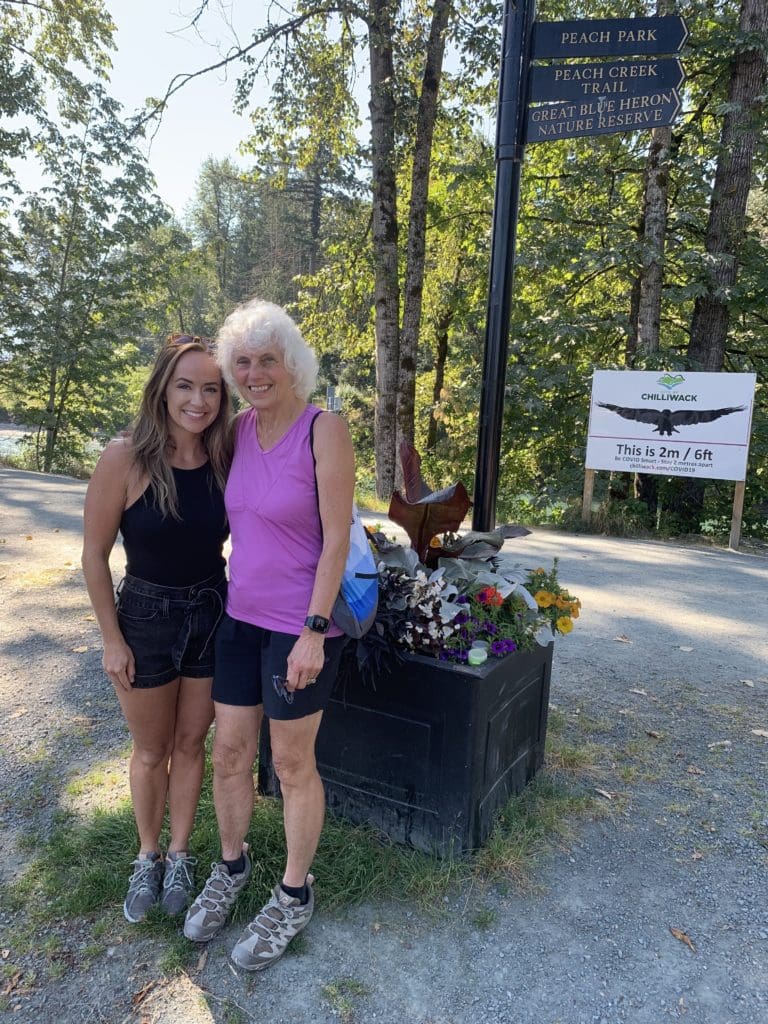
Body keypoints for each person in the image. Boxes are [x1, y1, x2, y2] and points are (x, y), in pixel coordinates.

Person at [183, 300, 354, 972]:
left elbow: (337, 538)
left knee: (289, 764)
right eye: (244, 362)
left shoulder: (324, 430)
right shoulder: (236, 432)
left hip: (299, 627)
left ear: (293, 365)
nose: (255, 373)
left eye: (268, 361)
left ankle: (293, 893)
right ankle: (231, 867)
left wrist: (314, 631)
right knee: (228, 753)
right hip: (239, 619)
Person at [81, 335, 231, 923]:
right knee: (151, 749)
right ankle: (147, 856)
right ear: (162, 390)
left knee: (191, 744)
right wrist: (111, 639)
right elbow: (94, 556)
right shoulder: (125, 458)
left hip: (211, 612)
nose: (198, 400)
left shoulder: (224, 458)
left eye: (211, 389)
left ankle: (180, 854)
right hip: (144, 616)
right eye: (185, 386)